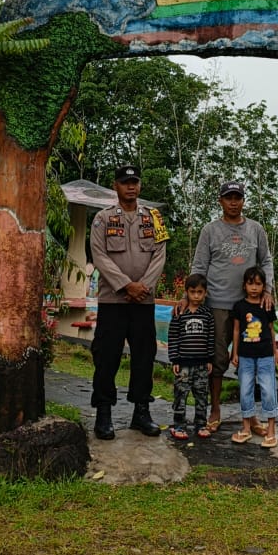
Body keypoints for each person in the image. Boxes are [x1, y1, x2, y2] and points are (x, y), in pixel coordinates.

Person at [89, 164, 169, 440]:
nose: (131, 186)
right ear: (116, 186)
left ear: (140, 185)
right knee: (107, 356)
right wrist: (126, 285)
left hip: (143, 302)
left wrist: (143, 286)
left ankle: (141, 412)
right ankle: (103, 412)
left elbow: (160, 255)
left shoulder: (154, 218)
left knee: (144, 357)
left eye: (134, 181)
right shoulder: (102, 218)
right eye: (125, 182)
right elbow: (99, 255)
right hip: (113, 300)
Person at [190, 180, 274, 434]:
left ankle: (251, 415)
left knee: (251, 361)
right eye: (229, 198)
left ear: (243, 201)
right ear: (221, 201)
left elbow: (266, 261)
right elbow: (199, 265)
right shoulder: (210, 230)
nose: (234, 202)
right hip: (217, 304)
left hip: (249, 307)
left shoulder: (256, 229)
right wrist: (189, 297)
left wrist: (268, 291)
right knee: (217, 360)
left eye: (238, 197)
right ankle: (215, 409)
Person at [230, 266, 278, 448]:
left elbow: (272, 330)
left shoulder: (267, 305)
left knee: (268, 389)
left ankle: (271, 431)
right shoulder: (239, 307)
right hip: (245, 356)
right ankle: (246, 429)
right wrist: (234, 353)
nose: (254, 288)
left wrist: (275, 352)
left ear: (263, 286)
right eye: (251, 284)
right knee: (245, 390)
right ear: (244, 286)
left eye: (258, 284)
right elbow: (236, 330)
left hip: (265, 354)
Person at [168, 272, 214, 441]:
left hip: (202, 364)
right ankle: (179, 425)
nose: (196, 295)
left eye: (199, 292)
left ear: (205, 293)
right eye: (192, 292)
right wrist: (175, 359)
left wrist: (209, 359)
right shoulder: (179, 313)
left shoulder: (207, 314)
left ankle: (201, 424)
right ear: (186, 292)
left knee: (202, 395)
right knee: (181, 395)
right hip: (184, 364)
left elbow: (210, 337)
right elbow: (173, 336)